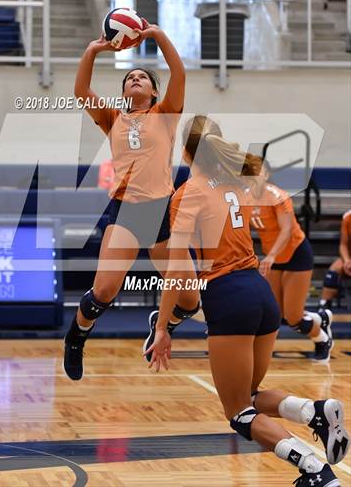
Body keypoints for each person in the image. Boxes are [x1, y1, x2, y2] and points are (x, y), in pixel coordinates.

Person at [146, 115, 349, 487]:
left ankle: (313, 468)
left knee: (239, 412)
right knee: (250, 395)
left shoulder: (189, 193)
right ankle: (314, 410)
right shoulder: (236, 186)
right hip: (259, 291)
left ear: (186, 153)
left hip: (229, 296)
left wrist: (163, 327)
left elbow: (177, 267)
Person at [63, 23, 200, 381]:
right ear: (124, 91)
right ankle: (77, 337)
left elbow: (179, 71)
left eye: (143, 77)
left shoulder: (165, 115)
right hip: (125, 211)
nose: (135, 79)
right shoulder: (113, 118)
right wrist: (93, 51)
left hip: (161, 213)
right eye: (129, 78)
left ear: (155, 92)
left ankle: (163, 321)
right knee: (104, 291)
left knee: (190, 301)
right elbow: (80, 91)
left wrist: (156, 35)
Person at [249, 162, 333, 362]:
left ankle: (323, 340)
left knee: (294, 318)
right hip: (273, 256)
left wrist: (270, 256)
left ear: (266, 173)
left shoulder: (277, 196)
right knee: (276, 314)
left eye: (255, 170)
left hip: (296, 253)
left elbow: (286, 230)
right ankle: (320, 318)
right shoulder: (243, 197)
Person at [319, 209, 351, 309]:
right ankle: (324, 307)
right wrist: (346, 261)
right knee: (334, 271)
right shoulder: (348, 217)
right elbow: (343, 245)